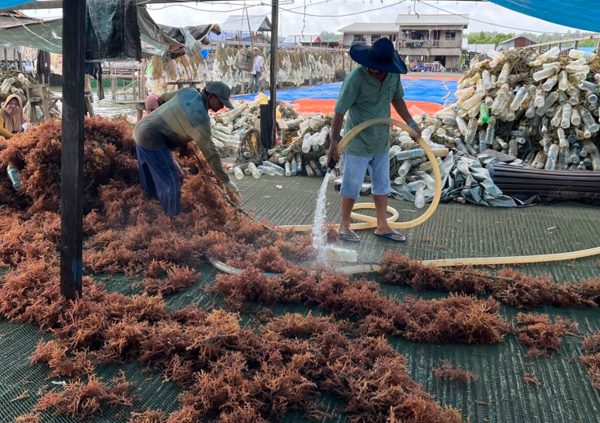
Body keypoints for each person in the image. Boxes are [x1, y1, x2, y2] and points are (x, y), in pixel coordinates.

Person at [327, 37, 421, 243]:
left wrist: (411, 123)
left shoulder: (393, 75)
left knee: (382, 184)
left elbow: (397, 99)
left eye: (381, 68)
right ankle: (344, 225)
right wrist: (334, 143)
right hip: (357, 140)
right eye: (374, 67)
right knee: (352, 184)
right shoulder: (356, 78)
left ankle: (382, 225)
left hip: (381, 139)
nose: (377, 71)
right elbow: (339, 111)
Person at [133, 81, 239, 217]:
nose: (222, 106)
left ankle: (150, 213)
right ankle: (172, 221)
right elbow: (211, 154)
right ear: (212, 96)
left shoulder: (188, 92)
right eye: (221, 102)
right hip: (153, 139)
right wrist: (226, 180)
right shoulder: (200, 118)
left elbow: (161, 99)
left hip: (140, 130)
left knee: (151, 178)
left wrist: (179, 134)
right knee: (173, 178)